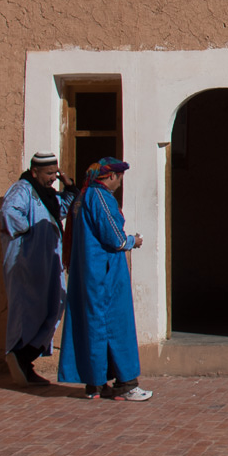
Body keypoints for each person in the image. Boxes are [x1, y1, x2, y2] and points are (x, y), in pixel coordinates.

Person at [58, 158, 150, 401]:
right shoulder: (100, 198)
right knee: (115, 324)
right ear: (111, 177)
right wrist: (133, 241)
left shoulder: (82, 197)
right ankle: (126, 383)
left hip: (89, 272)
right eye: (119, 177)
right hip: (105, 273)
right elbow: (114, 238)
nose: (120, 183)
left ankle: (96, 384)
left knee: (93, 324)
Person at [0, 151, 71, 385]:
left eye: (55, 173)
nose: (52, 178)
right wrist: (31, 231)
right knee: (28, 311)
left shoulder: (47, 195)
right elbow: (8, 212)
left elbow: (62, 208)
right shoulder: (22, 190)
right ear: (34, 172)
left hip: (46, 264)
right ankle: (20, 357)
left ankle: (24, 359)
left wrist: (68, 187)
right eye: (49, 173)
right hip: (26, 263)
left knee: (53, 306)